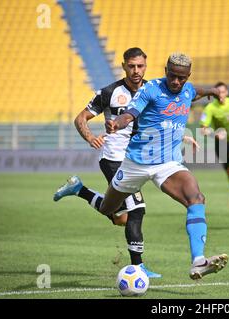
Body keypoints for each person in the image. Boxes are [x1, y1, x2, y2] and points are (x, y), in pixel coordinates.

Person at [66, 53, 228, 280]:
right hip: (136, 164)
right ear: (165, 71)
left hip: (168, 164)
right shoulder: (150, 89)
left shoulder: (188, 89)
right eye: (172, 76)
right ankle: (81, 190)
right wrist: (116, 123)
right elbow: (130, 114)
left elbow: (195, 92)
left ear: (187, 77)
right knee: (110, 211)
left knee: (196, 198)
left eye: (181, 78)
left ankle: (198, 261)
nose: (176, 82)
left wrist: (211, 91)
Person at [53, 48, 161, 278]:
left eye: (140, 66)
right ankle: (138, 268)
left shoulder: (153, 90)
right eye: (131, 66)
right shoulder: (110, 92)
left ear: (146, 65)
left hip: (137, 160)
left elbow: (166, 118)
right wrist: (90, 137)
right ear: (123, 66)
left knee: (120, 217)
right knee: (137, 210)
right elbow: (81, 118)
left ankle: (79, 189)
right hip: (114, 159)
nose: (136, 71)